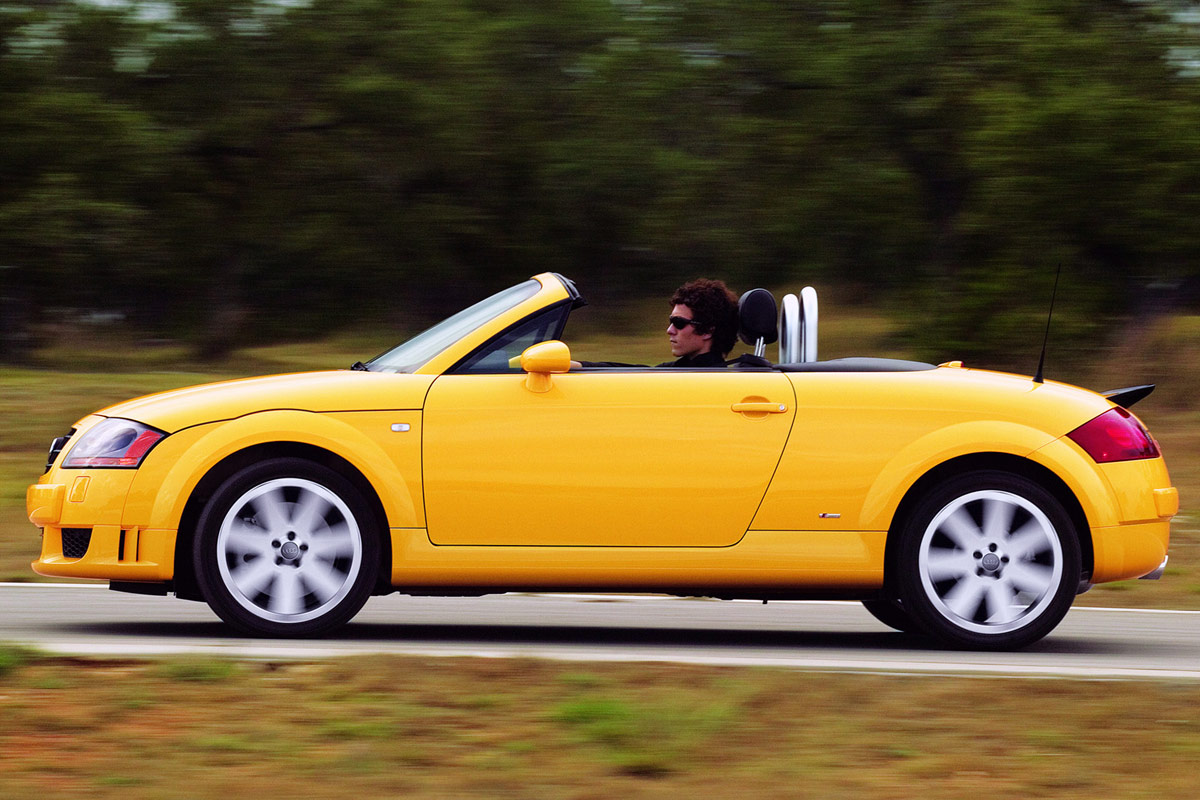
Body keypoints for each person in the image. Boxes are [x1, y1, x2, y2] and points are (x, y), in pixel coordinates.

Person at [574, 278, 740, 369]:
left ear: (707, 331)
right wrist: (580, 365)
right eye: (671, 321)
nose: (669, 330)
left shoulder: (703, 378)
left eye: (679, 323)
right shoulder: (687, 369)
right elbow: (637, 370)